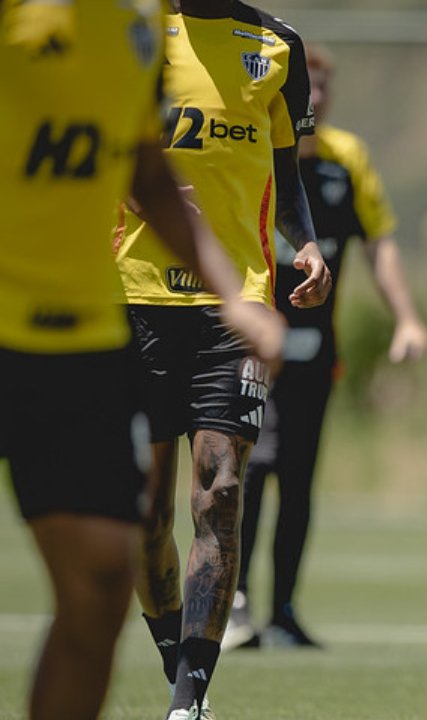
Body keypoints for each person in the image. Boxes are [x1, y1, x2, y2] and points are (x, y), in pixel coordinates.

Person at [0, 1, 287, 718]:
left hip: (80, 337)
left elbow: (147, 172)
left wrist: (235, 297)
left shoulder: (136, 26)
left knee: (101, 576)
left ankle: (187, 694)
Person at [111, 1, 330, 718]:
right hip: (133, 299)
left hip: (236, 302)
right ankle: (178, 662)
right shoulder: (128, 29)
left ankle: (189, 701)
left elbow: (283, 169)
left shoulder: (277, 45)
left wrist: (304, 239)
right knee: (143, 513)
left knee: (221, 491)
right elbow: (90, 145)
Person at [224, 43, 427, 651]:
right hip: (251, 349)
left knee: (297, 476)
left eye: (320, 90)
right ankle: (233, 605)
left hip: (317, 354)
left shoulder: (348, 160)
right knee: (252, 468)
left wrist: (406, 319)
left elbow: (380, 243)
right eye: (300, 89)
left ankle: (283, 611)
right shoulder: (251, 153)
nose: (311, 99)